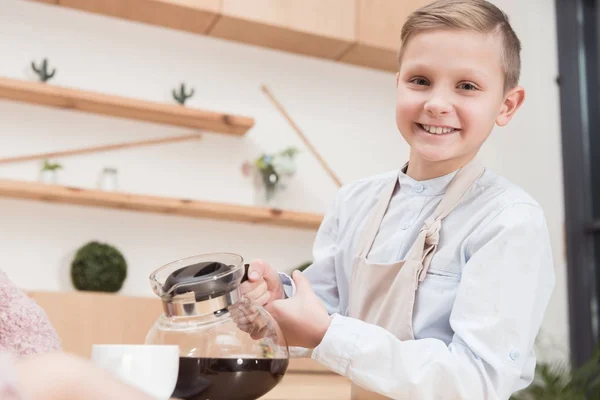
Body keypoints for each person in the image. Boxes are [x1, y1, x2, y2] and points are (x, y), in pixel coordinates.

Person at [238, 0, 556, 399]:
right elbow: (322, 316)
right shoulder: (355, 200)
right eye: (420, 80)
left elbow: (477, 380)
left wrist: (326, 331)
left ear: (506, 105)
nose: (437, 103)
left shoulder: (509, 221)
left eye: (467, 86)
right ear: (398, 83)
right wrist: (277, 298)